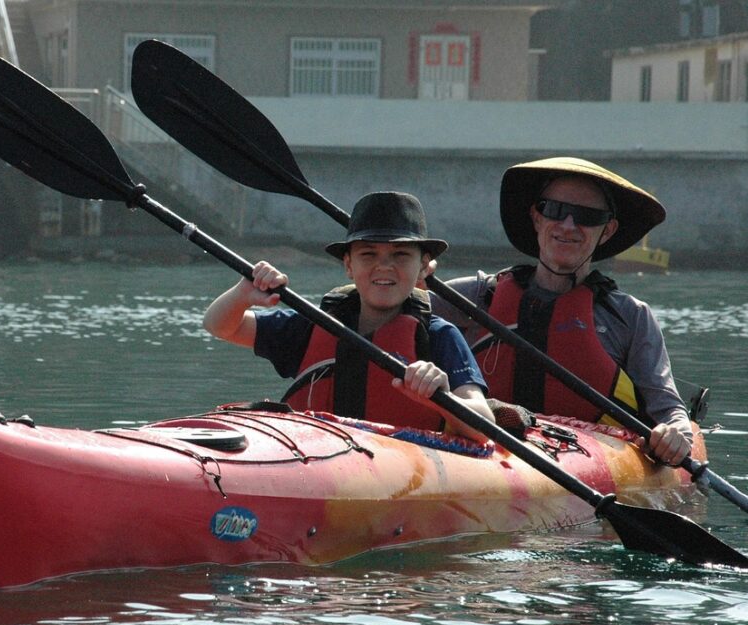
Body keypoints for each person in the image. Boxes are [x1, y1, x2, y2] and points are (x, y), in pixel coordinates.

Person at [429, 157, 692, 466]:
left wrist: (676, 433)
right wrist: (408, 273)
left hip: (586, 464)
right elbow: (394, 305)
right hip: (484, 455)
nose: (567, 225)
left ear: (607, 230)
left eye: (586, 216)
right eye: (554, 210)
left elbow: (669, 410)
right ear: (536, 218)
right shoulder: (473, 296)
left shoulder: (631, 316)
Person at [204, 191, 493, 441]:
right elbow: (220, 326)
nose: (384, 266)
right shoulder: (313, 325)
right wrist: (243, 294)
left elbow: (484, 424)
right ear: (348, 265)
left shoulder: (439, 335)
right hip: (318, 463)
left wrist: (443, 397)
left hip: (408, 471)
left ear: (423, 267)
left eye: (401, 255)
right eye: (368, 254)